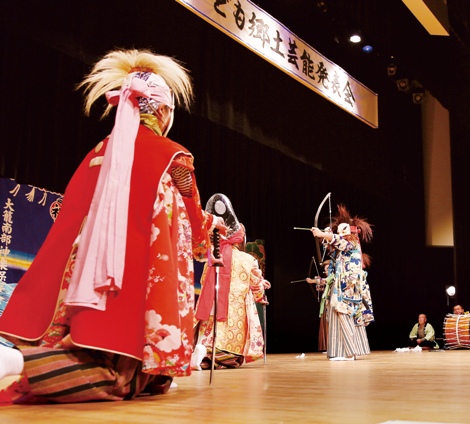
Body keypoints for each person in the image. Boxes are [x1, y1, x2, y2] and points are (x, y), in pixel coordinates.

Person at [0, 49, 226, 404]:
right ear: (163, 111)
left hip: (77, 281)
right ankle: (14, 362)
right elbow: (195, 220)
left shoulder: (98, 152)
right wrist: (214, 230)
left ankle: (28, 360)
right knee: (117, 375)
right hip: (128, 280)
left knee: (132, 373)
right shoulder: (174, 157)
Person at [192, 195, 270, 369]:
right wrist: (260, 296)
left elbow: (204, 280)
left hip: (212, 303)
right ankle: (221, 357)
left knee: (210, 331)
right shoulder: (247, 259)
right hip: (236, 308)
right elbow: (256, 284)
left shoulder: (212, 257)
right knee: (231, 339)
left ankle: (205, 353)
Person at [310, 204, 373, 361]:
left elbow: (339, 242)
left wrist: (324, 235)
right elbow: (333, 245)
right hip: (341, 286)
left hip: (348, 287)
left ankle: (350, 352)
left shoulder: (352, 244)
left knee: (343, 313)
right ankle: (341, 351)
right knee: (337, 314)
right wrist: (323, 236)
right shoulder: (341, 250)